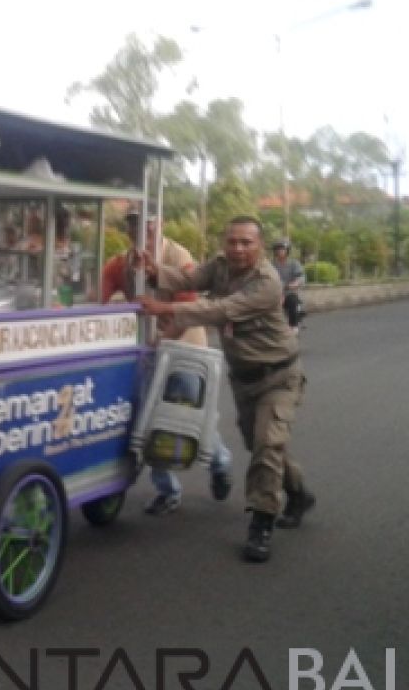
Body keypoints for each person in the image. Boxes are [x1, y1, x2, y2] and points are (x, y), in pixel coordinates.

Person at [137, 215, 315, 563]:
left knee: (267, 444)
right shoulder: (219, 268)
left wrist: (167, 308)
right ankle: (297, 492)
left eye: (246, 242)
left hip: (279, 375)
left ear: (260, 246)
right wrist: (156, 272)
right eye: (232, 241)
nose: (237, 249)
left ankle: (261, 523)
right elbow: (189, 277)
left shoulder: (267, 282)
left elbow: (220, 309)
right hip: (244, 377)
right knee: (261, 445)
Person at [102, 212, 233, 515]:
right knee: (149, 418)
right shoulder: (119, 263)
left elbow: (187, 309)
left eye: (147, 225)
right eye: (134, 226)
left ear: (159, 225)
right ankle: (167, 489)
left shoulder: (178, 256)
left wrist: (161, 340)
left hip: (185, 348)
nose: (141, 231)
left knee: (191, 416)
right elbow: (100, 298)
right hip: (146, 351)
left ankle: (220, 463)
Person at [271, 240, 306, 334]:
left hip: (289, 292)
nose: (280, 251)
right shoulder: (271, 265)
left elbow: (300, 276)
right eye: (278, 249)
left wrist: (296, 283)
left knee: (292, 301)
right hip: (274, 293)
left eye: (282, 249)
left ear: (287, 251)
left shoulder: (294, 263)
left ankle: (293, 325)